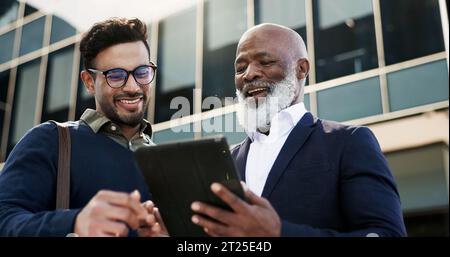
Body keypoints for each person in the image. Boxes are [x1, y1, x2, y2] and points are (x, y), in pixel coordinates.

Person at [190, 23, 407, 237]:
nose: (249, 74)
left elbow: (387, 234)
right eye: (240, 68)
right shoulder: (225, 159)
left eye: (265, 62)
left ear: (301, 69)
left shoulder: (349, 142)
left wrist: (279, 233)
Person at [0, 18, 163, 237]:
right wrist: (74, 223)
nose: (133, 87)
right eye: (116, 75)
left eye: (142, 72)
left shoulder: (167, 161)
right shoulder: (52, 140)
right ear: (88, 81)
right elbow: (4, 219)